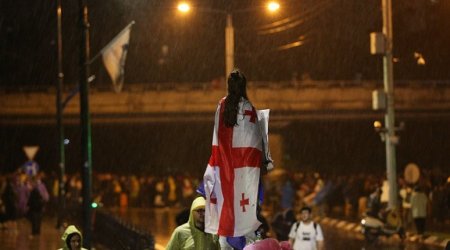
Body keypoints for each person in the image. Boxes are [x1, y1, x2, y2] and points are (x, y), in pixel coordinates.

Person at [203, 69, 273, 249]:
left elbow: (216, 141)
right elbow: (257, 144)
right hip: (246, 174)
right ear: (244, 86)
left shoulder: (221, 106)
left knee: (226, 219)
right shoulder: (249, 108)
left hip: (225, 172)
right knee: (247, 218)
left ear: (228, 86)